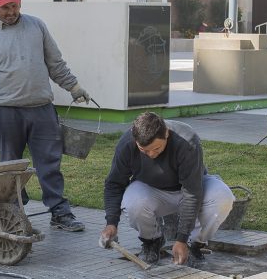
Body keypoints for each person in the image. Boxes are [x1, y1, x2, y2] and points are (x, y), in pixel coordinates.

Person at [0, 0, 90, 232]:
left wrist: (74, 87)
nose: (11, 12)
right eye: (5, 8)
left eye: (14, 6)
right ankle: (14, 213)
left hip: (41, 108)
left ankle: (59, 212)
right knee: (11, 166)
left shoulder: (37, 26)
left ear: (20, 3)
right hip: (6, 111)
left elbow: (55, 63)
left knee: (50, 163)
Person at [99, 112, 234, 266]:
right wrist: (111, 223)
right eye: (144, 150)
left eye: (156, 148)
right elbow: (114, 184)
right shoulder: (127, 144)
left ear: (166, 134)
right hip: (152, 190)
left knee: (223, 197)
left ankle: (195, 245)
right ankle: (152, 242)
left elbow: (192, 193)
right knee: (133, 202)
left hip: (192, 188)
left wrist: (182, 239)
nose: (151, 155)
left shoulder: (187, 141)